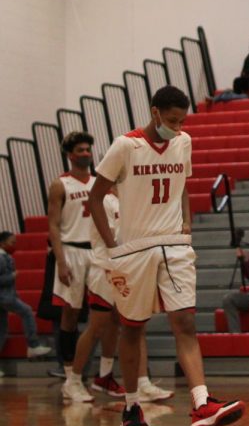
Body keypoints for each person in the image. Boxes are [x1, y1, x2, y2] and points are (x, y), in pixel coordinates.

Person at [89, 86, 244, 426]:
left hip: (174, 244)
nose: (177, 127)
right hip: (134, 248)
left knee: (186, 322)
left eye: (182, 121)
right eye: (171, 120)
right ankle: (131, 407)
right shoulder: (125, 145)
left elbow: (182, 186)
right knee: (133, 327)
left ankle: (202, 402)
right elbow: (96, 197)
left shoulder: (183, 142)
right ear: (155, 112)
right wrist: (113, 245)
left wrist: (186, 220)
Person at [69, 186, 174, 404]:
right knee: (97, 326)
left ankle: (142, 383)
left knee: (135, 325)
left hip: (128, 268)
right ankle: (73, 381)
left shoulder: (130, 201)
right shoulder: (105, 201)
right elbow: (115, 236)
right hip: (106, 268)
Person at [47, 131, 118, 402]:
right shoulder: (60, 184)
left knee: (106, 314)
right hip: (73, 250)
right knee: (71, 314)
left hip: (98, 252)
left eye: (88, 149)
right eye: (80, 150)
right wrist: (61, 260)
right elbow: (53, 225)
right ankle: (70, 375)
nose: (86, 153)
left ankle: (101, 375)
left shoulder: (100, 183)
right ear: (70, 154)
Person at [0, 231, 52, 375]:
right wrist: (12, 276)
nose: (15, 245)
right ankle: (33, 345)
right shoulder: (2, 258)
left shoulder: (5, 256)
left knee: (2, 330)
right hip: (5, 297)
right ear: (2, 243)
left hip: (5, 296)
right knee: (27, 311)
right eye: (12, 242)